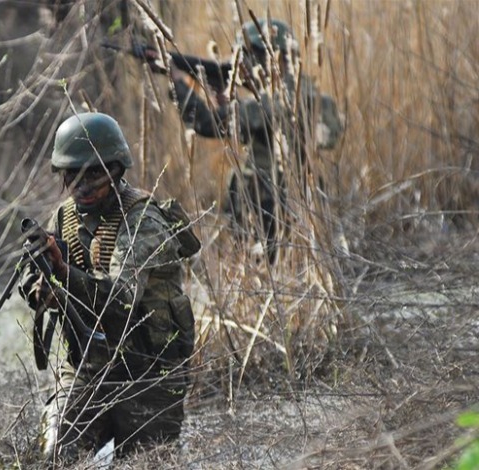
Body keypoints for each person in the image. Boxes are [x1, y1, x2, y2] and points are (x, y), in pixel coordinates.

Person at [19, 112, 197, 464]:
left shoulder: (144, 221)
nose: (82, 186)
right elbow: (33, 276)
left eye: (94, 174)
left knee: (146, 462)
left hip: (149, 372)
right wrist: (40, 289)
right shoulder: (64, 217)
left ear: (116, 170)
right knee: (55, 454)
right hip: (88, 365)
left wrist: (64, 272)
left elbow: (122, 297)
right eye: (73, 175)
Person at [170, 19, 344, 262]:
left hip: (269, 217)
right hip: (299, 215)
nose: (242, 68)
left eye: (250, 59)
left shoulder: (273, 105)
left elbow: (204, 123)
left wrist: (176, 81)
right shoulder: (312, 98)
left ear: (278, 59)